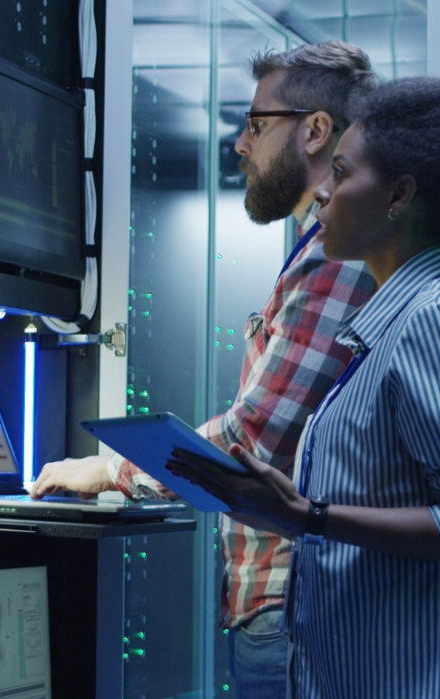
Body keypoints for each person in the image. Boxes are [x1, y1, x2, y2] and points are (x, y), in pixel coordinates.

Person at [168, 77, 440, 698]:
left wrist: (305, 516)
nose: (321, 191)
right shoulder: (396, 321)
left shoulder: (430, 321)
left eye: (341, 174)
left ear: (399, 194)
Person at [29, 42, 378, 696]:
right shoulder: (320, 250)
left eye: (256, 124)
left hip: (292, 603)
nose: (242, 145)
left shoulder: (335, 257)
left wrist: (108, 469)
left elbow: (251, 440)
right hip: (286, 603)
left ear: (314, 130)